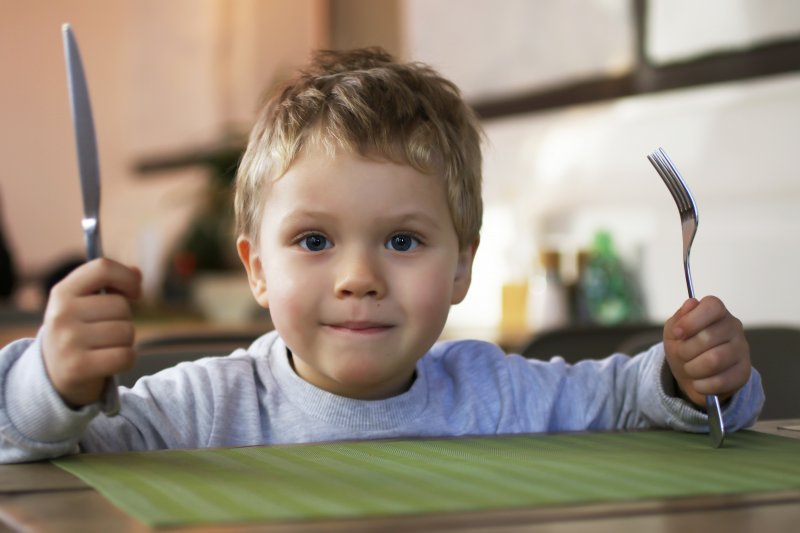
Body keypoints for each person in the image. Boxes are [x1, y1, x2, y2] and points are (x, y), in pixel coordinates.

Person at [0, 48, 762, 464]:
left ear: (462, 266)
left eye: (402, 240)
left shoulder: (496, 395)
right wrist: (52, 382)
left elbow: (633, 400)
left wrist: (690, 378)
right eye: (314, 241)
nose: (360, 278)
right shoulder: (208, 407)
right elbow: (38, 442)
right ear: (257, 267)